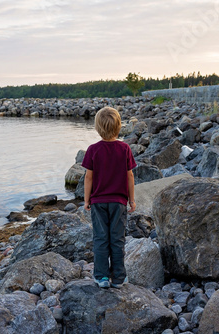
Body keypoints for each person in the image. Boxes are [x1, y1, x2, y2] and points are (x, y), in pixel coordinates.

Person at [81, 106, 136, 289]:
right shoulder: (125, 148)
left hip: (98, 202)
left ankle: (102, 277)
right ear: (119, 126)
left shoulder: (93, 149)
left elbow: (89, 177)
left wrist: (86, 199)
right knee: (117, 239)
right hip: (118, 202)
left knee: (101, 239)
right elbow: (129, 176)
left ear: (97, 128)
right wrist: (132, 199)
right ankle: (119, 278)